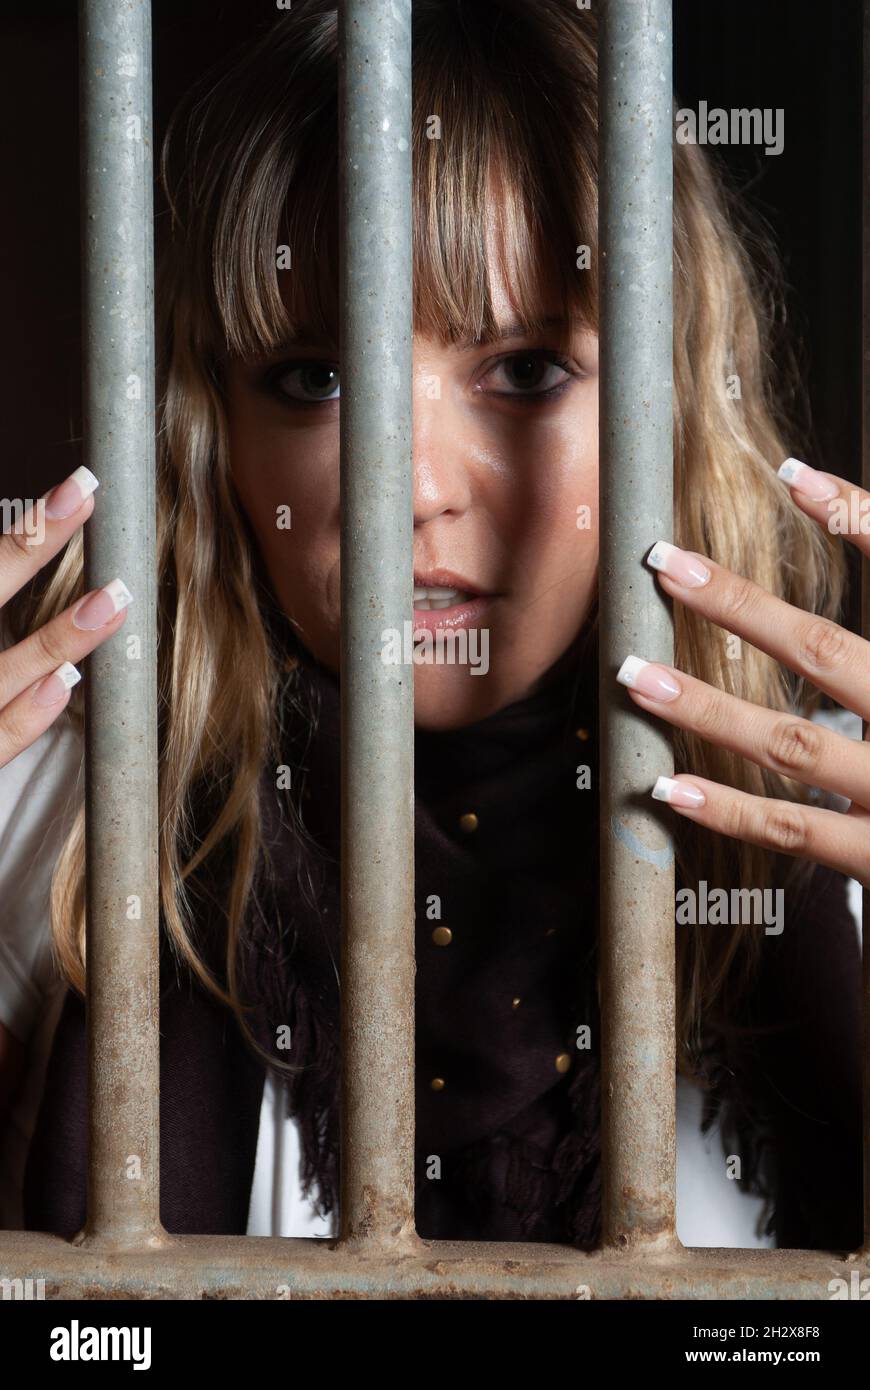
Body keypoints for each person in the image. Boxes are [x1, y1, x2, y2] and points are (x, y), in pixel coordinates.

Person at [0, 0, 862, 1250]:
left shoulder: (844, 827)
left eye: (522, 368)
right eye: (316, 377)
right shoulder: (50, 832)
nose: (411, 487)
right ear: (213, 441)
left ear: (665, 412)